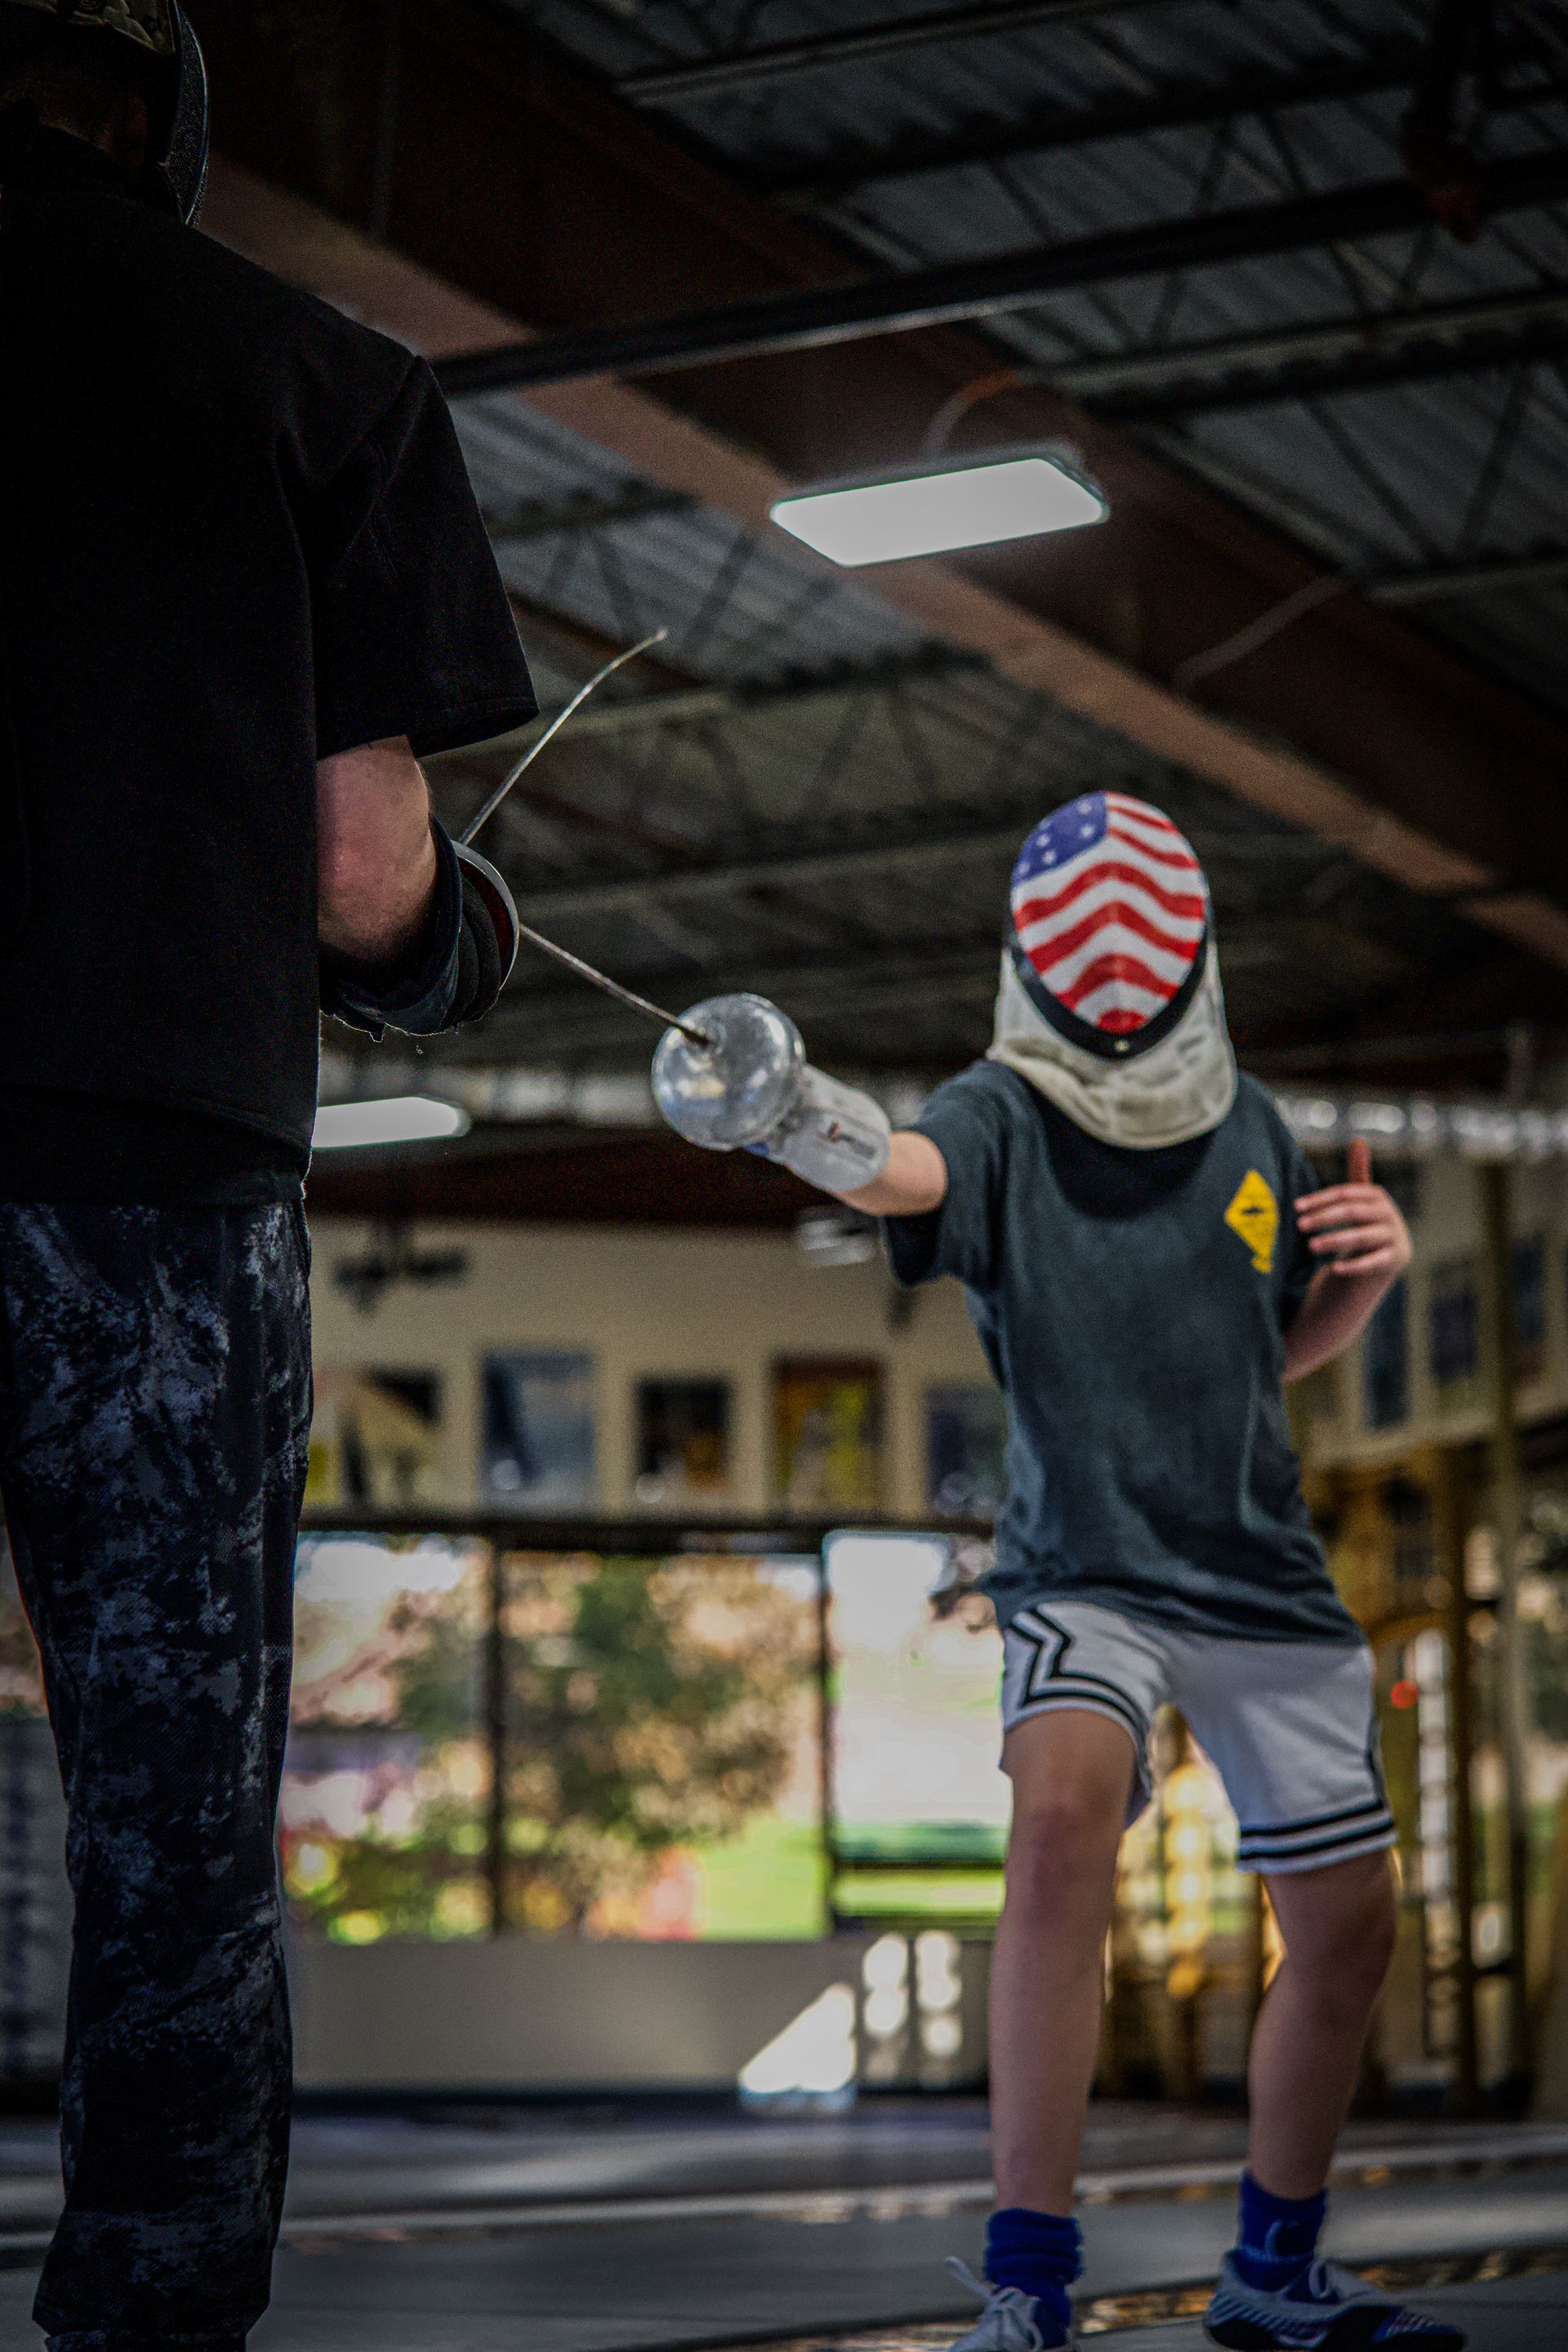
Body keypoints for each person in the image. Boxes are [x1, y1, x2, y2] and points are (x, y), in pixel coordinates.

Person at [0, 5, 537, 2345]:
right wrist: (458, 952)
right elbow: (362, 872)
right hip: (152, 1188)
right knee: (169, 1841)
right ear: (168, 125)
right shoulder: (322, 384)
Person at [655, 790, 1459, 2352]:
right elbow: (903, 1173)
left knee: (1352, 1922)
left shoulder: (1253, 1129)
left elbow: (1255, 1360)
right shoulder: (1002, 1114)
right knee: (1063, 1820)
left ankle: (1274, 2274)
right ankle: (1027, 2287)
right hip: (1083, 1564)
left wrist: (1368, 1289)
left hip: (1262, 1575)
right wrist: (787, 1109)